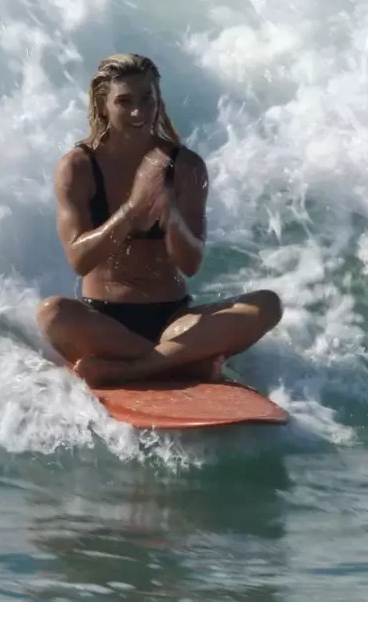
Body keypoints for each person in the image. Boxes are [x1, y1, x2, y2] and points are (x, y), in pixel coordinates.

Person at [35, 53, 283, 386]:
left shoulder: (186, 166)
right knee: (52, 313)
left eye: (147, 99)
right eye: (124, 101)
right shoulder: (78, 167)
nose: (139, 112)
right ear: (103, 104)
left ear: (158, 100)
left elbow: (190, 264)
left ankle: (138, 367)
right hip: (105, 323)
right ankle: (181, 361)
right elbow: (79, 260)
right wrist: (132, 211)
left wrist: (171, 217)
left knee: (267, 304)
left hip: (174, 321)